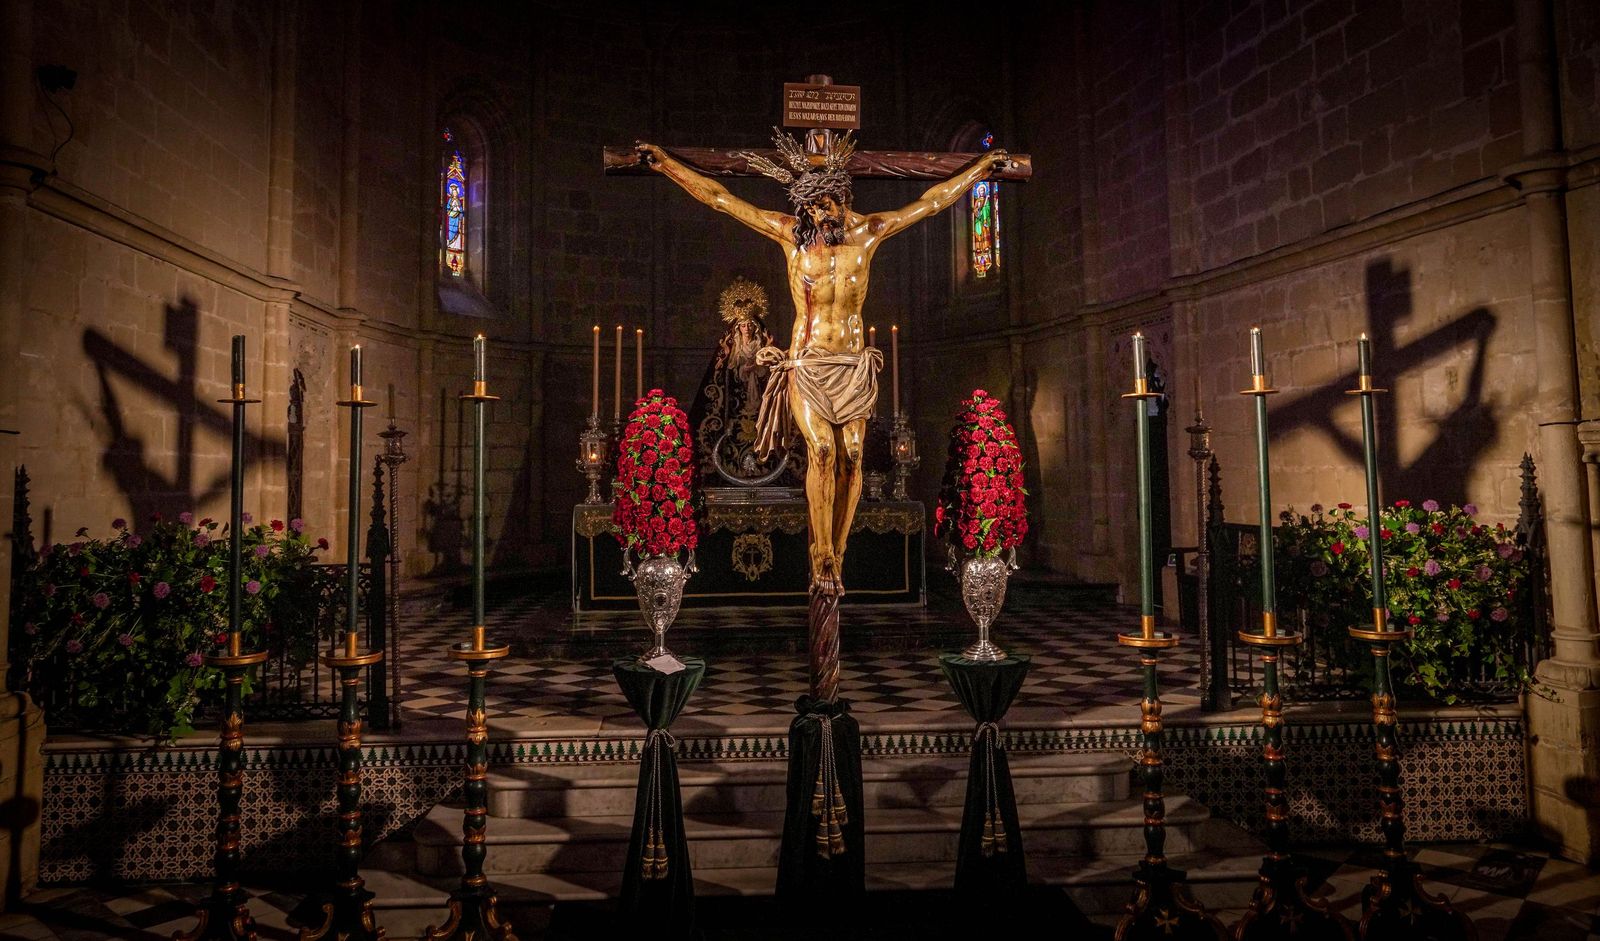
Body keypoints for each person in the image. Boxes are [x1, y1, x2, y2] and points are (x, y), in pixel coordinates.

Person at [636, 131, 1009, 595]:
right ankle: (822, 554)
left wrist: (977, 170)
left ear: (840, 198)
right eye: (809, 208)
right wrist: (666, 165)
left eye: (824, 206)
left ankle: (840, 549)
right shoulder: (792, 236)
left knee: (852, 455)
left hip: (852, 365)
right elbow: (722, 199)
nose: (816, 215)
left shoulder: (869, 232)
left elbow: (932, 202)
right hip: (809, 363)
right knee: (824, 452)